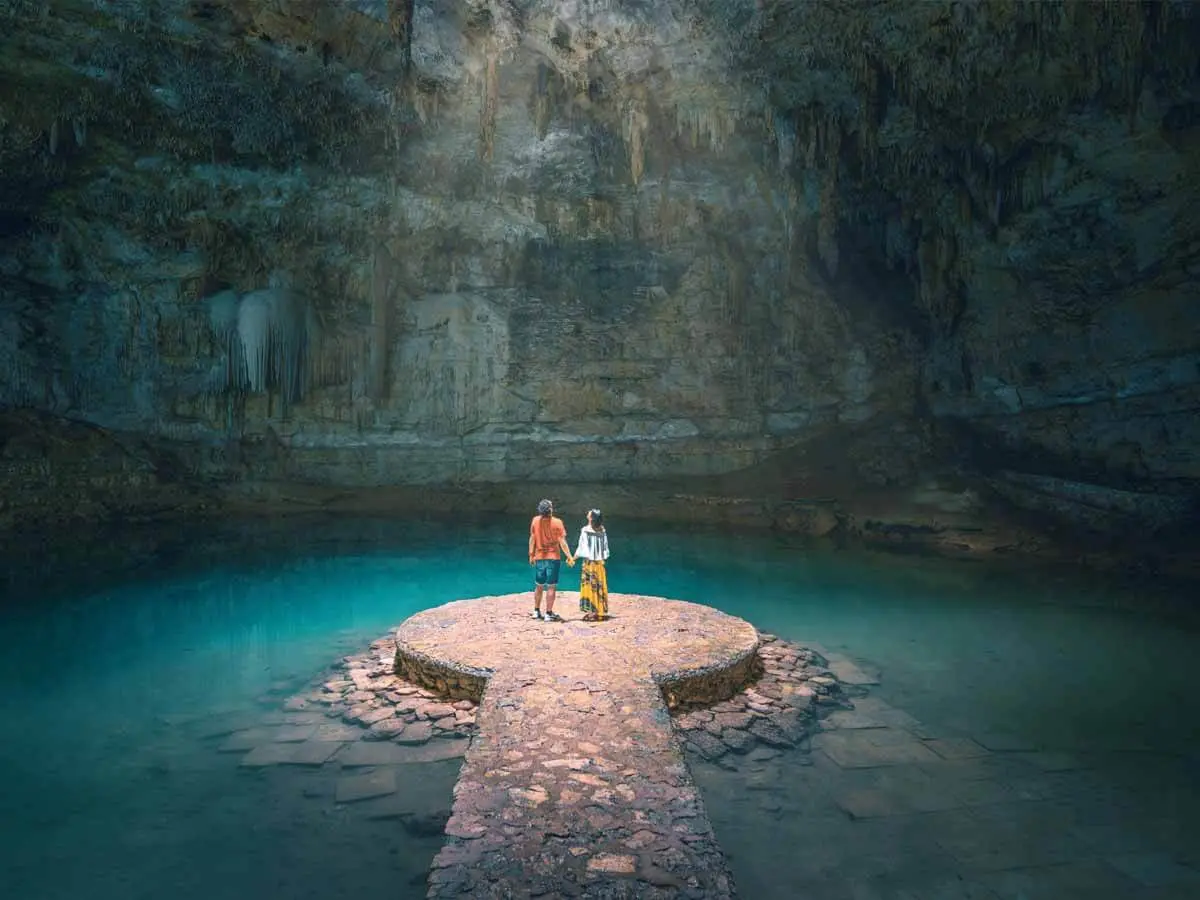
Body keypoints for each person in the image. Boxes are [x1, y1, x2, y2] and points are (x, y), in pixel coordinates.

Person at [528, 498, 574, 622]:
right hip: (553, 559)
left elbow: (532, 538)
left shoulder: (535, 520)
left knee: (539, 586)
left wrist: (531, 555)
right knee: (551, 587)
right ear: (550, 510)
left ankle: (536, 611)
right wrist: (569, 557)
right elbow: (562, 542)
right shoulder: (557, 522)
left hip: (539, 557)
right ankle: (548, 613)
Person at [575, 508, 610, 622]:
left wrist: (573, 559)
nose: (587, 515)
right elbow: (605, 549)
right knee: (599, 586)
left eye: (589, 514)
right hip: (600, 564)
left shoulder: (585, 530)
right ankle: (599, 611)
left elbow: (581, 548)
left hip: (589, 564)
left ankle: (591, 613)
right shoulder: (603, 531)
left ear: (591, 518)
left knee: (590, 587)